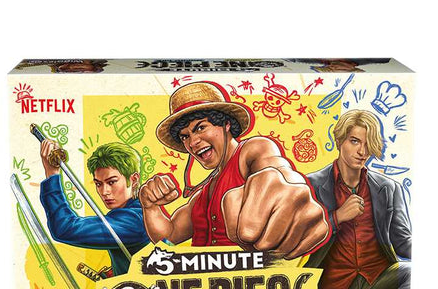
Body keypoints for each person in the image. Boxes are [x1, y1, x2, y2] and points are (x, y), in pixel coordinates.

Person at [139, 81, 329, 258]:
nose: (193, 142)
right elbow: (170, 234)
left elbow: (279, 175)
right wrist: (150, 206)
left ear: (226, 124)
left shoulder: (253, 150)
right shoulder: (201, 195)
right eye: (185, 137)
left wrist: (289, 193)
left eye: (200, 128)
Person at [304, 109, 411, 289]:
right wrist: (337, 218)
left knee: (412, 274)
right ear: (339, 141)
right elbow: (298, 240)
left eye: (367, 144)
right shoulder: (310, 185)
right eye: (354, 141)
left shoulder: (388, 188)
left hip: (376, 278)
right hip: (331, 288)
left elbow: (403, 242)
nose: (362, 151)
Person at [38, 140, 148, 274]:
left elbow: (64, 228)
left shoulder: (133, 220)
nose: (104, 192)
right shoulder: (138, 212)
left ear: (134, 179)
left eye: (111, 182)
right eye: (98, 184)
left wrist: (52, 174)